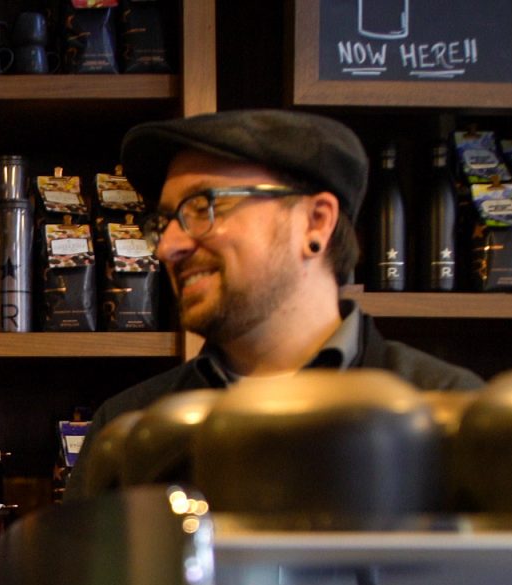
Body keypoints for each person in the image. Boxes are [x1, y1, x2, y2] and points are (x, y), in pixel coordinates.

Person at [92, 109, 481, 431]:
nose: (167, 247)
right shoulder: (131, 429)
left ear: (315, 222)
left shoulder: (450, 413)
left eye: (202, 207)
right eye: (163, 223)